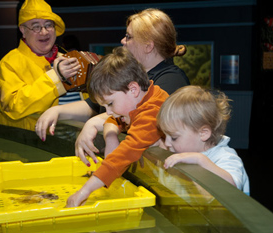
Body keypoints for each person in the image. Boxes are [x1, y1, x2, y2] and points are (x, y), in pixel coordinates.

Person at [35, 8, 189, 155]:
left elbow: (142, 118)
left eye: (128, 37)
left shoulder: (172, 80)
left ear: (148, 46)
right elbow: (93, 106)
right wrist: (57, 111)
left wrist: (94, 123)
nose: (123, 41)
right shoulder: (131, 72)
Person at [66, 47, 169, 207]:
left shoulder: (152, 112)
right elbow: (115, 121)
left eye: (110, 103)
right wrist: (111, 136)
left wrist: (84, 191)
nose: (108, 112)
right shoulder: (145, 99)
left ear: (133, 89)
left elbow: (124, 154)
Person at [0, 0, 81, 129]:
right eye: (36, 27)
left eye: (48, 25)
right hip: (32, 146)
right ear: (23, 30)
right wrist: (56, 78)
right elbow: (13, 107)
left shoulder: (67, 58)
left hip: (75, 143)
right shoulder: (9, 63)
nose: (44, 32)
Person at [157, 85, 250, 195]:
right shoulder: (183, 151)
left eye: (174, 138)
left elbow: (232, 188)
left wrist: (200, 160)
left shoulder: (225, 157)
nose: (167, 143)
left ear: (203, 133)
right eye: (165, 135)